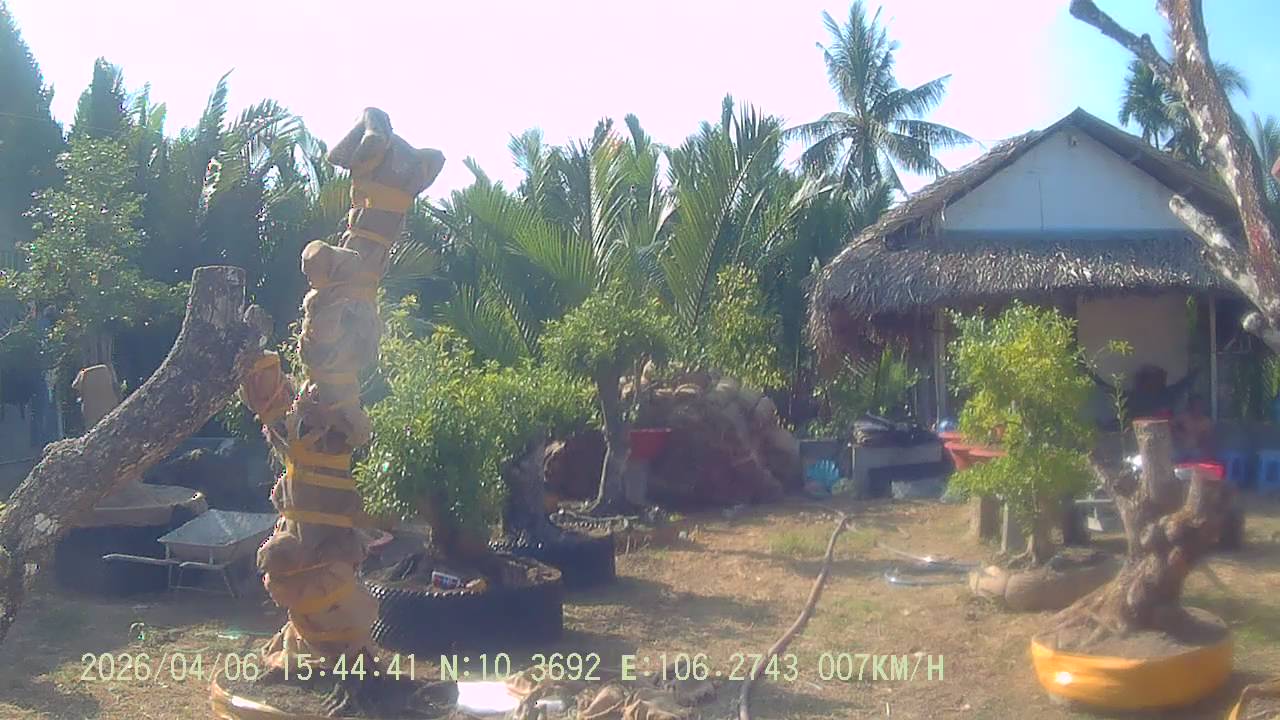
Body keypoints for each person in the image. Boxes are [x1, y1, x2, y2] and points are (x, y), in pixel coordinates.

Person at [1172, 393, 1215, 462]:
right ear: (1191, 406)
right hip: (1180, 449)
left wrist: (1202, 445)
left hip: (1195, 450)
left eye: (1200, 405)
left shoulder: (1206, 422)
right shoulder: (1183, 417)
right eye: (1196, 405)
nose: (1198, 407)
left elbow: (1208, 440)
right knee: (1172, 455)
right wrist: (1179, 434)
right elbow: (1171, 425)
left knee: (1198, 455)